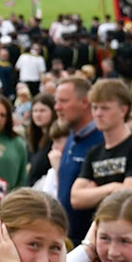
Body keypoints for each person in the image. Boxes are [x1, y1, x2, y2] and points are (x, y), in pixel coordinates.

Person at [70, 77, 132, 225]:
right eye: (95, 108)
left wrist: (94, 191)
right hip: (99, 228)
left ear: (123, 110)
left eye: (105, 108)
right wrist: (112, 187)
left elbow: (129, 196)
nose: (98, 114)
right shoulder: (94, 152)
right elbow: (76, 198)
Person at [56, 74, 104, 241]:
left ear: (85, 103)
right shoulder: (72, 138)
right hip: (67, 240)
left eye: (64, 101)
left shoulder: (102, 141)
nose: (57, 107)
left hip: (90, 245)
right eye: (57, 101)